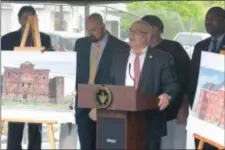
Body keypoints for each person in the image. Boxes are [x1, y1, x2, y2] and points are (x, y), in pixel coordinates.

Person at [107, 20, 180, 150]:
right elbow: (110, 84)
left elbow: (172, 85)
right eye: (130, 31)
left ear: (147, 36)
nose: (131, 35)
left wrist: (167, 96)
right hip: (121, 119)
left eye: (137, 32)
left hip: (150, 121)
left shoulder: (162, 58)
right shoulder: (118, 56)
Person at [74, 13, 129, 150]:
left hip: (107, 101)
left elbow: (120, 78)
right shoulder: (80, 44)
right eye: (87, 30)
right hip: (83, 101)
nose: (90, 34)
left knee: (106, 143)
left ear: (103, 27)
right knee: (86, 143)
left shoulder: (120, 47)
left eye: (93, 30)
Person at [1, 6, 52, 150]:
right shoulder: (7, 39)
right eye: (25, 17)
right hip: (14, 89)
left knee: (36, 129)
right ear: (19, 19)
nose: (29, 21)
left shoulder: (45, 39)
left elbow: (49, 63)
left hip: (37, 89)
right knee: (15, 129)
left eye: (32, 17)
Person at [141, 15, 190, 149]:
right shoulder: (139, 52)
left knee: (172, 145)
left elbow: (185, 79)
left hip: (171, 111)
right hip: (146, 115)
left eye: (144, 29)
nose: (140, 33)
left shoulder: (174, 48)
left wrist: (183, 108)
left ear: (155, 30)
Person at [188, 7, 225, 150]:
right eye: (206, 19)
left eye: (212, 18)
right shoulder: (200, 46)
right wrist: (194, 103)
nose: (208, 22)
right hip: (201, 112)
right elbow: (192, 78)